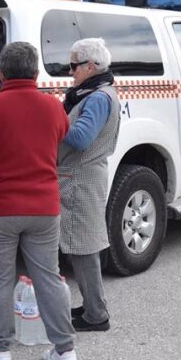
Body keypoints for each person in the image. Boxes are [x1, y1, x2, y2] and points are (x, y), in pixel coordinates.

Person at [0, 41, 77, 360]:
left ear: (1, 72)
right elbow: (62, 136)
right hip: (43, 206)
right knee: (49, 278)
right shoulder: (53, 107)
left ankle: (0, 351)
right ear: (36, 72)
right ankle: (65, 350)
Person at [58, 38, 121, 332]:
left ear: (90, 66)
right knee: (82, 245)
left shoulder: (97, 98)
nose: (71, 72)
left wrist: (53, 117)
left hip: (79, 178)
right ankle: (92, 306)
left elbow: (81, 138)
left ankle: (96, 315)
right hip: (81, 176)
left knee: (82, 248)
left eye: (74, 66)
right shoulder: (94, 93)